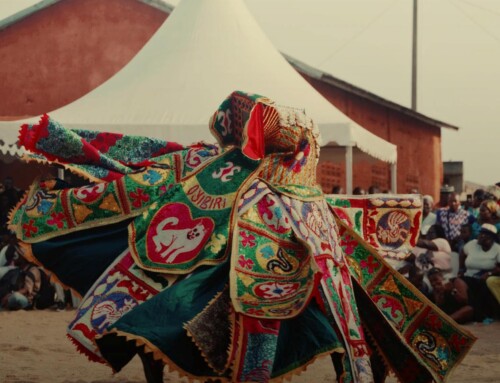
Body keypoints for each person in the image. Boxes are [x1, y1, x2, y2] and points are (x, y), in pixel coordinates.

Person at [8, 91, 474, 383]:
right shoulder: (208, 164)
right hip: (217, 252)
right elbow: (142, 162)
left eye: (248, 123)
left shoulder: (292, 182)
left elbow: (295, 131)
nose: (242, 130)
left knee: (338, 300)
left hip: (288, 247)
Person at [459, 223, 500, 322]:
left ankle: (479, 315)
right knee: (459, 282)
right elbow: (462, 253)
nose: (480, 236)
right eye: (480, 233)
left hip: (483, 277)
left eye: (484, 234)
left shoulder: (497, 249)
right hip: (468, 275)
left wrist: (489, 273)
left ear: (491, 237)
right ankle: (465, 312)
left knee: (483, 285)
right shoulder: (472, 244)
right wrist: (461, 269)